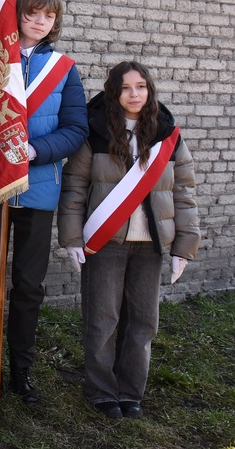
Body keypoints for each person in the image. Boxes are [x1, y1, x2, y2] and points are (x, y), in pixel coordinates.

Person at [58, 61, 200, 419]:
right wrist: (73, 238)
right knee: (103, 319)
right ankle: (102, 390)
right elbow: (74, 187)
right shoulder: (96, 130)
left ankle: (131, 391)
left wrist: (184, 245)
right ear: (113, 92)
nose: (134, 94)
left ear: (149, 90)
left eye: (140, 87)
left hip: (149, 245)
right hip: (105, 243)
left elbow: (183, 191)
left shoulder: (168, 134)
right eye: (125, 88)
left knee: (142, 322)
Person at [0, 0, 88, 404]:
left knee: (27, 285)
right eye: (33, 13)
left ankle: (20, 371)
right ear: (18, 14)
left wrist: (38, 150)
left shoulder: (64, 69)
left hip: (39, 191)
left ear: (55, 23)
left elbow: (76, 128)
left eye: (49, 17)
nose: (40, 22)